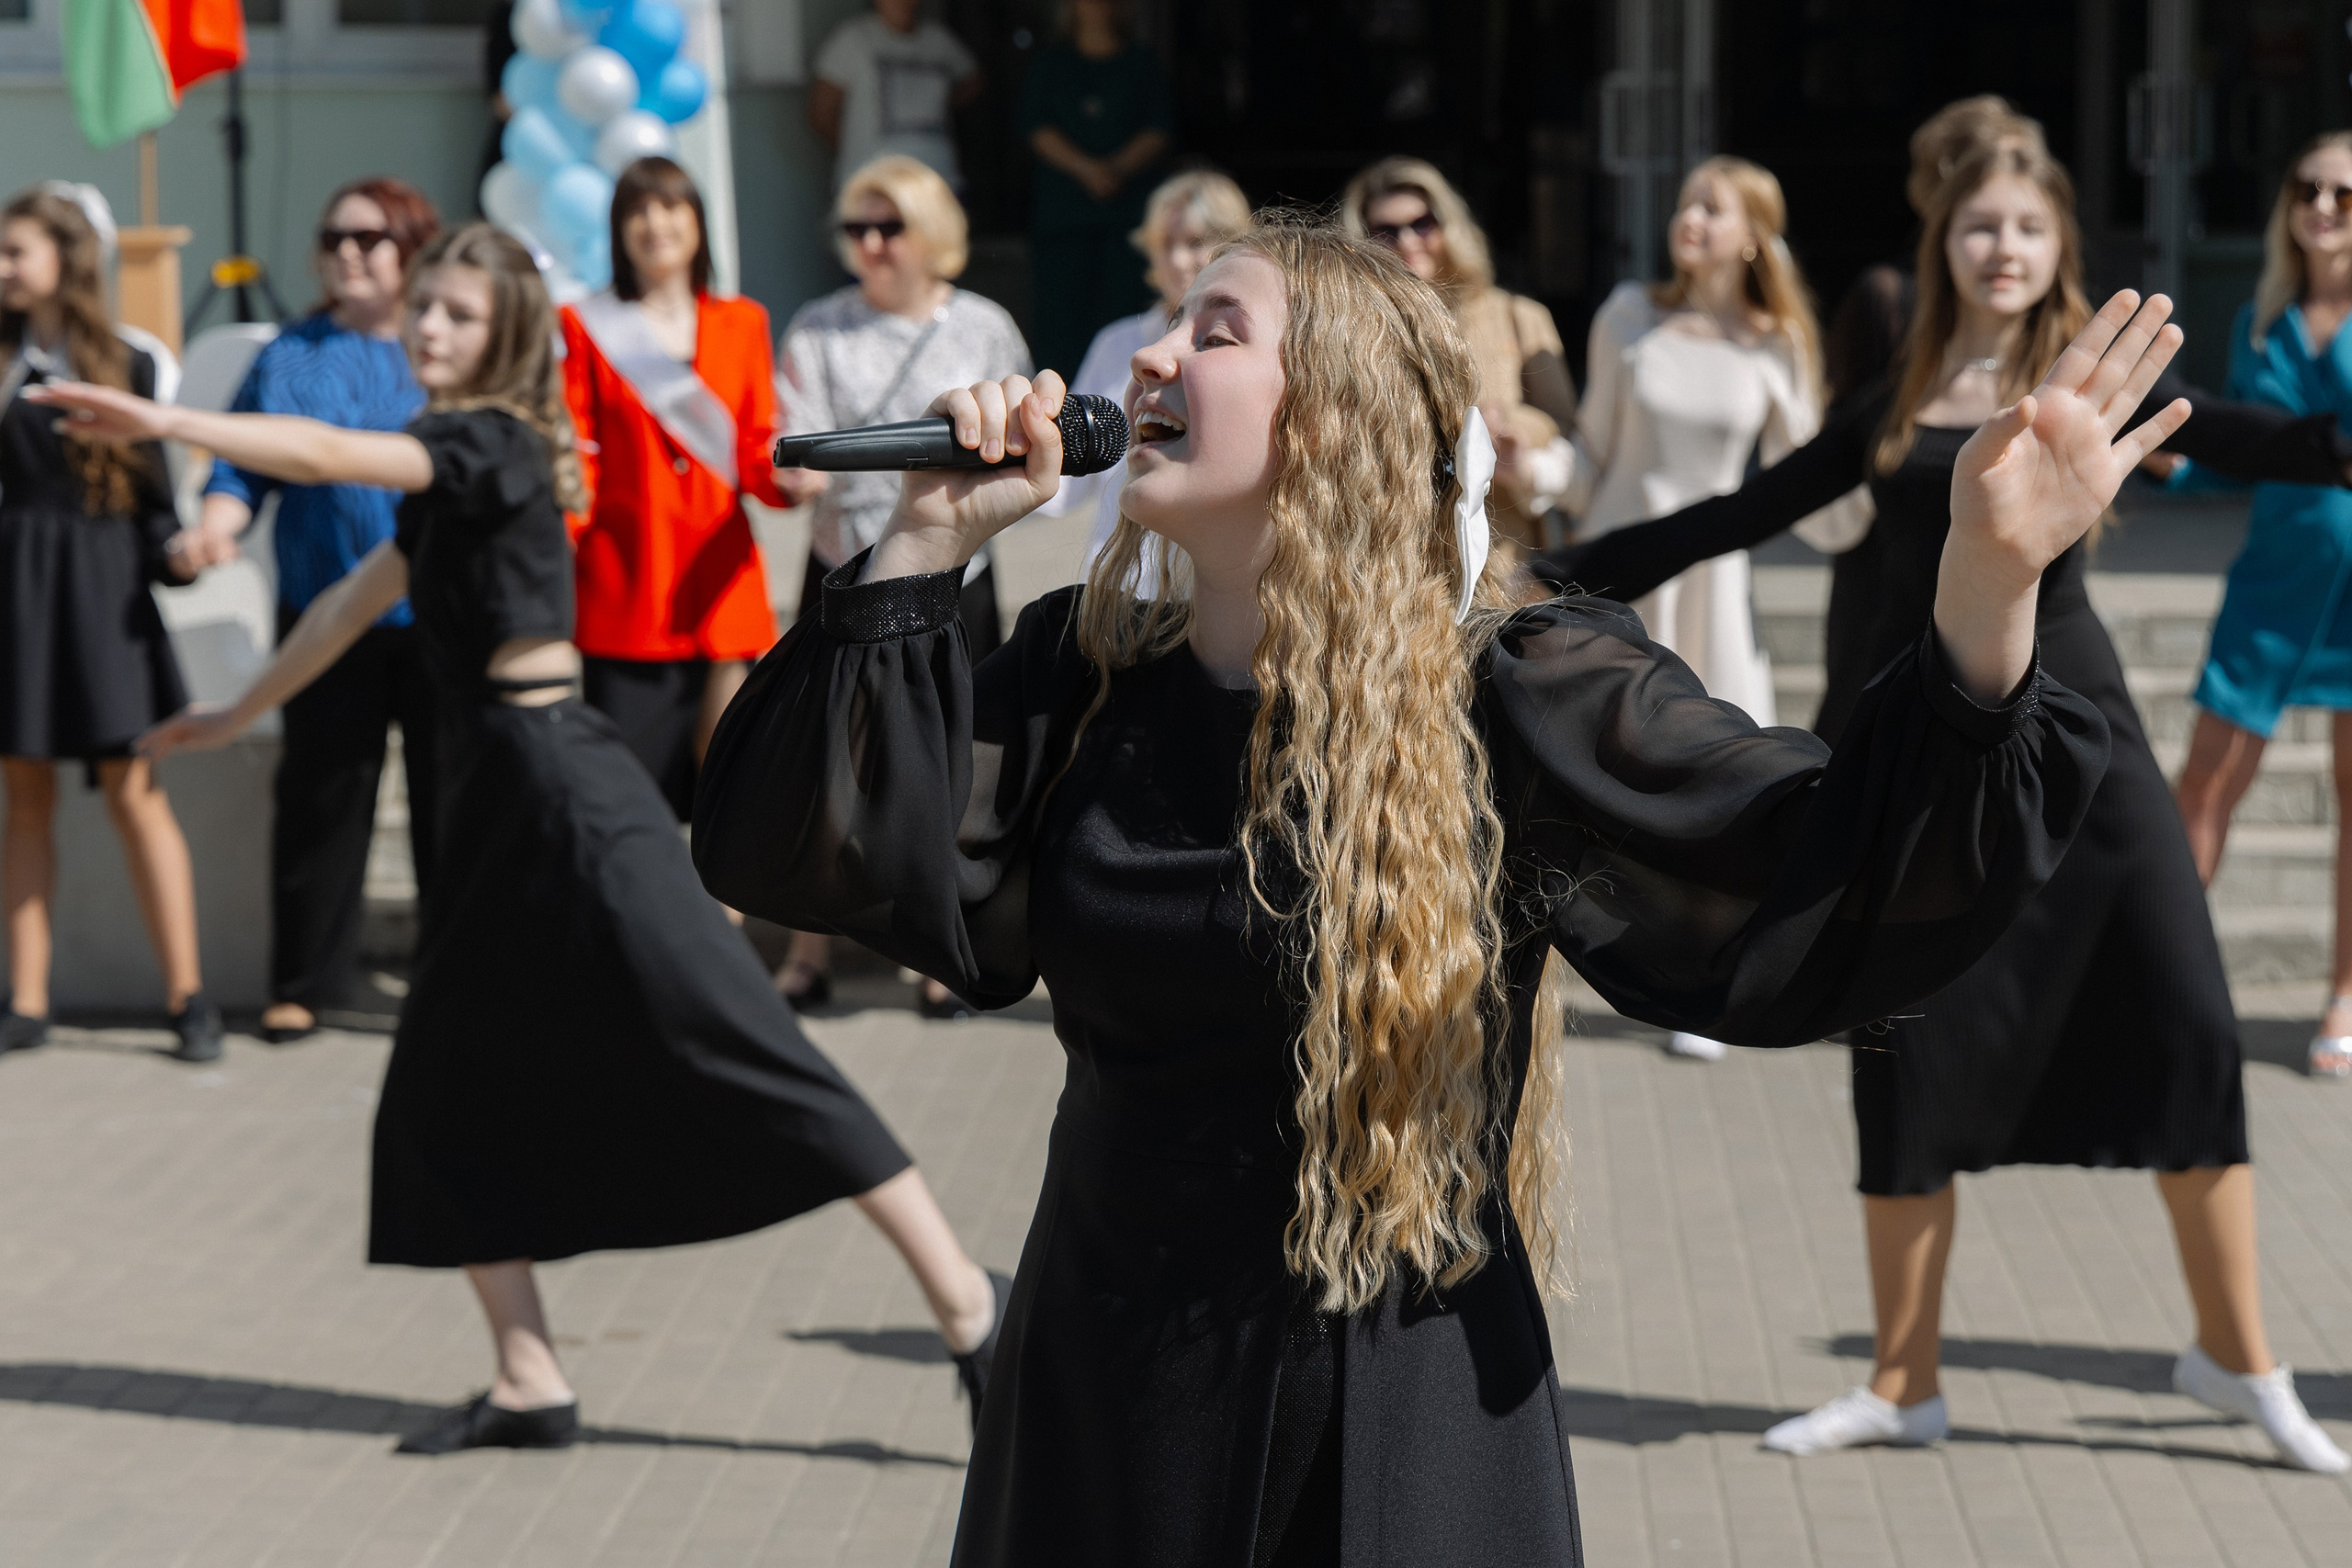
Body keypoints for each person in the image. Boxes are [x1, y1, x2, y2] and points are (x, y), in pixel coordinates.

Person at [692, 215, 2196, 1562]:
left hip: (1396, 1406)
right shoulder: (1079, 686)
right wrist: (920, 546)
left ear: (1335, 416)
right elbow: (786, 851)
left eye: (1217, 329)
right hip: (1106, 1389)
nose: (1150, 350)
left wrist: (1986, 592)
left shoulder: (1514, 688)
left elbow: (1828, 880)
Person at [30, 223, 1008, 1453]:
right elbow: (351, 597)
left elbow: (328, 450)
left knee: (747, 1043)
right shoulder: (454, 470)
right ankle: (531, 1375)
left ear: (501, 337)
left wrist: (176, 424)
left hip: (564, 786)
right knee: (445, 1090)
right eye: (423, 307)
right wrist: (236, 707)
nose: (429, 328)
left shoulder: (484, 439)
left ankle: (971, 1308)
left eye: (454, 312)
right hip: (492, 798)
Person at [1534, 141, 2352, 1472]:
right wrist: (1549, 571)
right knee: (1904, 1048)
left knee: (2190, 1017)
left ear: (2058, 244)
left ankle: (2241, 1359)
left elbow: (2275, 439)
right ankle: (1903, 1378)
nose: (2003, 248)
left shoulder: (2091, 388)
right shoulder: (1896, 397)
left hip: (2085, 747)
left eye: (2029, 225)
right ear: (1945, 246)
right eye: (1980, 226)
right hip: (1934, 750)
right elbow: (1736, 513)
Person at [181, 177, 441, 1044]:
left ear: (412, 248)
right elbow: (238, 464)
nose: (349, 253)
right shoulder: (292, 351)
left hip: (441, 613)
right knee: (323, 799)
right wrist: (219, 521)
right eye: (335, 238)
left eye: (371, 239)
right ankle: (304, 980)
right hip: (325, 613)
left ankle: (448, 981)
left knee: (453, 804)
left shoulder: (442, 347)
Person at [771, 153, 1029, 1015]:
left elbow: (1025, 434)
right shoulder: (816, 326)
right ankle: (809, 951)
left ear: (935, 237)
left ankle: (936, 946)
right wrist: (795, 474)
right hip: (847, 564)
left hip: (960, 568)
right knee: (832, 756)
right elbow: (794, 436)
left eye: (890, 227)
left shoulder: (984, 324)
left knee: (950, 758)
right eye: (857, 229)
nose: (872, 245)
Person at [0, 186, 220, 1065]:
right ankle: (26, 1000)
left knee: (135, 793)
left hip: (104, 596)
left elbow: (157, 506)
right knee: (24, 799)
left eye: (16, 251)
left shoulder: (131, 361)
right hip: (15, 595)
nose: (3, 268)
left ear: (67, 257)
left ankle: (189, 997)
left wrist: (187, 552)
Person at [2172, 132, 2352, 1080]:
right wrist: (2173, 462)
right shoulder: (2258, 318)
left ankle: (2344, 995)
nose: (2321, 206)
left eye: (2343, 195)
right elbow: (2237, 451)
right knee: (2203, 783)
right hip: (2274, 574)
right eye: (2306, 188)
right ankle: (2161, 979)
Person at [561, 158, 806, 820]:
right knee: (630, 784)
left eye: (671, 207)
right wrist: (556, 540)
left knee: (729, 773)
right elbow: (575, 452)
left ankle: (717, 922)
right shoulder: (582, 324)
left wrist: (787, 481)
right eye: (638, 210)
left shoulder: (742, 320)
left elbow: (757, 442)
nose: (656, 224)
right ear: (618, 229)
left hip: (719, 576)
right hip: (628, 577)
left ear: (698, 223)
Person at [1341, 156, 1577, 552]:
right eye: (1385, 231)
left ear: (1448, 225)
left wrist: (1508, 421)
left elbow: (1563, 421)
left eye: (1422, 223)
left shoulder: (1518, 316)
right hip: (1394, 545)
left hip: (1501, 547)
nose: (1407, 241)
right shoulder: (1351, 329)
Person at [1035, 167, 1250, 577]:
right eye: (1164, 244)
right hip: (1118, 588)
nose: (1177, 260)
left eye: (1195, 242)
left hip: (1211, 595)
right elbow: (1069, 475)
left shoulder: (1256, 349)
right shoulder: (1116, 343)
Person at [1017, 0, 1172, 380]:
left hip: (1126, 222)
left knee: (1125, 315)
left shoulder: (1142, 63)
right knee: (1060, 322)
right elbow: (1036, 128)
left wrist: (1116, 169)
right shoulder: (1051, 64)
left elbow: (1160, 127)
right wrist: (1086, 169)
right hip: (1065, 220)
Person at [808, 0, 982, 194]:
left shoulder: (939, 40)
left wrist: (935, 103)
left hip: (937, 180)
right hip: (874, 187)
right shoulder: (853, 39)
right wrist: (861, 152)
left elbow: (973, 81)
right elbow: (821, 114)